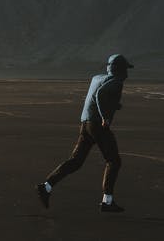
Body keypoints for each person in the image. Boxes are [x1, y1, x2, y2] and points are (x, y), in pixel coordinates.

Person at [36, 53, 134, 213]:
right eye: (125, 69)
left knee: (76, 161)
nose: (127, 74)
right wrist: (105, 118)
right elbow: (100, 95)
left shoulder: (97, 78)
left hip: (86, 124)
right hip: (98, 126)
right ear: (119, 69)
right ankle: (107, 202)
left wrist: (115, 105)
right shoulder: (116, 81)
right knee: (114, 161)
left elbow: (96, 96)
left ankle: (46, 187)